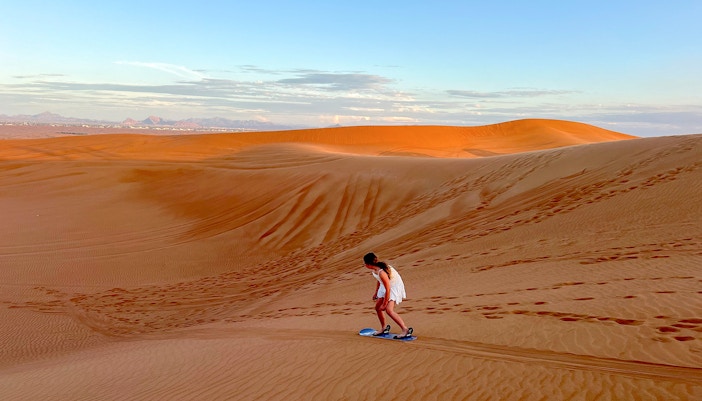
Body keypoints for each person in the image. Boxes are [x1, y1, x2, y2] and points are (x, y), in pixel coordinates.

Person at [363, 252, 413, 339]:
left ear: (368, 264)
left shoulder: (382, 272)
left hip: (393, 287)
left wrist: (385, 303)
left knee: (389, 310)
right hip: (385, 286)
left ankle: (405, 330)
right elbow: (379, 280)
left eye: (365, 263)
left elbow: (388, 288)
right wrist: (376, 292)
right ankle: (384, 328)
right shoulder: (375, 270)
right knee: (378, 308)